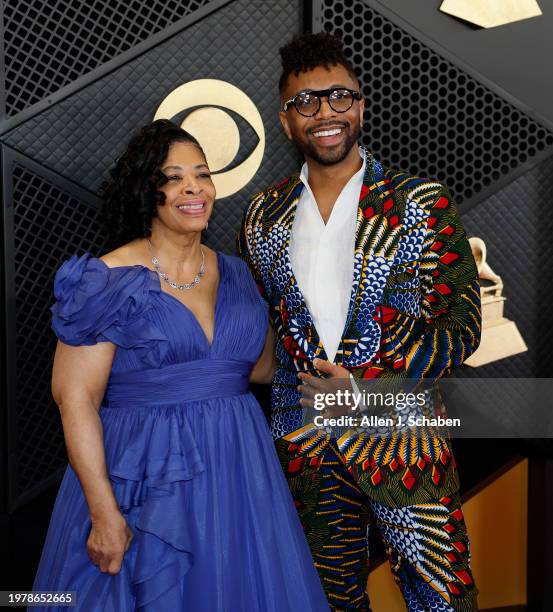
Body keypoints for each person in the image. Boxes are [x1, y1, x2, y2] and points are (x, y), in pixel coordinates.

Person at [32, 119, 329, 611]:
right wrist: (104, 513)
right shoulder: (107, 278)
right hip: (146, 477)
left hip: (238, 470)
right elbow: (75, 399)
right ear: (148, 192)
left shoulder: (237, 273)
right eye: (173, 177)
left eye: (202, 174)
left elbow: (258, 369)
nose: (193, 188)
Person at [238, 33, 481, 611]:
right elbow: (269, 330)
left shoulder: (419, 201)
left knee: (441, 596)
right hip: (304, 441)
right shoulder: (261, 215)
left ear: (362, 105)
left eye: (339, 97)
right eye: (307, 102)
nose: (325, 113)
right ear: (286, 119)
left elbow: (461, 328)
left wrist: (367, 392)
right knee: (324, 599)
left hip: (402, 432)